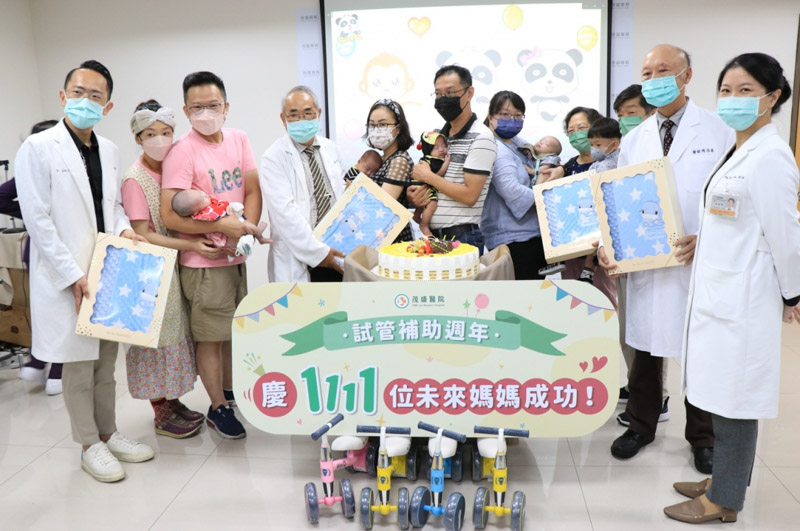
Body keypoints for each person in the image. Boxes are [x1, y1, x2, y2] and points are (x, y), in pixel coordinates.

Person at [663, 52, 800, 525]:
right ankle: (723, 478)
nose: (732, 99)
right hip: (721, 290)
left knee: (735, 401)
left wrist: (793, 294)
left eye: (746, 90)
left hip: (743, 299)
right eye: (726, 90)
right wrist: (704, 239)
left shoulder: (771, 157)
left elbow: (786, 235)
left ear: (772, 97)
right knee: (719, 395)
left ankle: (724, 500)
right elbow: (737, 217)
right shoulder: (740, 150)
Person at [598, 44, 735, 473]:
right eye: (646, 72)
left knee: (699, 352)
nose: (653, 79)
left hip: (699, 261)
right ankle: (640, 425)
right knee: (644, 348)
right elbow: (619, 199)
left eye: (663, 70)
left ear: (686, 75)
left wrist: (707, 238)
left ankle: (703, 437)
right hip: (648, 264)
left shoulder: (719, 131)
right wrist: (609, 244)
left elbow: (732, 197)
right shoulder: (635, 138)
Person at [15, 60, 154, 482]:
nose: (85, 101)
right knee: (78, 367)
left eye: (96, 95)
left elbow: (112, 206)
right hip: (68, 274)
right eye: (78, 92)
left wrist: (125, 230)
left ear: (107, 106)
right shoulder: (38, 147)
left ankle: (109, 432)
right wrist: (71, 274)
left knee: (106, 362)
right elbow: (37, 220)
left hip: (107, 270)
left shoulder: (109, 150)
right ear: (63, 96)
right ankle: (89, 444)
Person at [161, 71, 262, 439]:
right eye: (197, 107)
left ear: (226, 106)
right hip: (205, 264)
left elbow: (252, 189)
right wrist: (224, 228)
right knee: (210, 338)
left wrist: (245, 229)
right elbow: (171, 215)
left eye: (213, 105)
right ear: (186, 110)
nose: (206, 113)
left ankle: (231, 393)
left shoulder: (239, 139)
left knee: (233, 333)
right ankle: (217, 407)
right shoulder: (181, 152)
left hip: (237, 257)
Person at [120, 100, 207, 439]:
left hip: (172, 265)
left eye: (166, 132)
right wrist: (191, 245)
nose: (160, 140)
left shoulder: (172, 170)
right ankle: (161, 412)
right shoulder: (135, 179)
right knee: (154, 342)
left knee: (174, 338)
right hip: (149, 273)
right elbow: (142, 233)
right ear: (138, 138)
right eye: (150, 134)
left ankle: (173, 400)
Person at [2, 119, 63, 396]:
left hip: (42, 250)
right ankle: (53, 370)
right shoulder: (51, 175)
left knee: (45, 311)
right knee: (59, 312)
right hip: (54, 250)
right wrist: (34, 216)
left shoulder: (33, 174)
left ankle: (38, 363)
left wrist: (32, 216)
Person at [409, 65, 497, 254]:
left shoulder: (481, 138)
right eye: (438, 94)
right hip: (432, 236)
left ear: (469, 93)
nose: (443, 99)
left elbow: (470, 196)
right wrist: (415, 195)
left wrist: (428, 177)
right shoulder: (438, 138)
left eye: (450, 93)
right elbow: (429, 181)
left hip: (461, 237)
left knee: (458, 275)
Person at [261, 86, 344, 283]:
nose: (302, 120)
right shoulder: (273, 157)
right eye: (294, 115)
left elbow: (340, 197)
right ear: (283, 119)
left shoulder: (331, 148)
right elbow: (285, 213)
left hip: (337, 248)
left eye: (308, 113)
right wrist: (319, 253)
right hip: (302, 256)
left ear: (319, 113)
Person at [612, 85, 656, 405]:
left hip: (659, 246)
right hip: (630, 248)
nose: (625, 119)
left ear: (649, 112)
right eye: (620, 114)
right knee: (630, 325)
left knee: (654, 330)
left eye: (631, 112)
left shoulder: (660, 145)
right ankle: (637, 385)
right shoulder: (630, 144)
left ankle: (657, 397)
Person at [480, 90, 547, 279]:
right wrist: (545, 193)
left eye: (518, 115)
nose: (512, 120)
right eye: (505, 114)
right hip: (512, 239)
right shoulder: (494, 147)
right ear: (490, 117)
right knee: (522, 294)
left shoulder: (518, 143)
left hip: (531, 235)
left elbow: (543, 162)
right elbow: (511, 190)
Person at [363, 98, 416, 242]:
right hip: (380, 235)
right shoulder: (383, 159)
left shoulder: (399, 160)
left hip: (393, 239)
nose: (376, 130)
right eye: (372, 125)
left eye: (383, 124)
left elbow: (383, 205)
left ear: (398, 128)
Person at [171, 189, 269, 257]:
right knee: (245, 231)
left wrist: (232, 208)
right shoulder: (204, 216)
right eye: (202, 199)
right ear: (196, 212)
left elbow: (225, 208)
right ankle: (254, 240)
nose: (205, 195)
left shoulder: (211, 204)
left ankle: (255, 237)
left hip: (234, 227)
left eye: (200, 192)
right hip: (226, 238)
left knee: (247, 227)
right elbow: (220, 220)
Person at [412, 131, 450, 236]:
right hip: (424, 186)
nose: (441, 149)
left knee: (422, 202)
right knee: (432, 204)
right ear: (428, 149)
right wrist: (446, 163)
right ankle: (424, 225)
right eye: (436, 147)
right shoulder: (433, 161)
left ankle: (417, 214)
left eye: (444, 146)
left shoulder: (426, 159)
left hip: (419, 186)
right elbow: (436, 175)